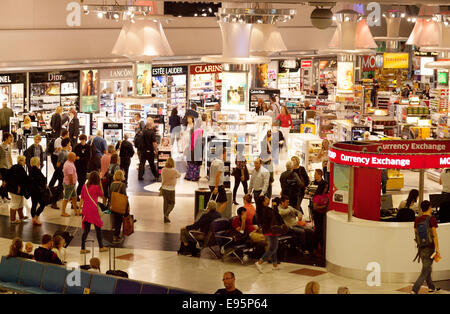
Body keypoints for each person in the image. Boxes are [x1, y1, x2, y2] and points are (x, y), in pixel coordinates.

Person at [411, 201, 441, 294]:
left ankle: (432, 288)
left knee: (427, 267)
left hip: (421, 248)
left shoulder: (417, 220)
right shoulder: (431, 219)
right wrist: (437, 249)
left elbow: (416, 233)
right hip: (430, 247)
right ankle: (415, 289)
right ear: (429, 207)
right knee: (425, 270)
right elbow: (434, 235)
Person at [80, 171, 108, 254]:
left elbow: (82, 198)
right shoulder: (96, 187)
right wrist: (100, 184)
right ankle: (101, 247)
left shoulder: (84, 186)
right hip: (93, 209)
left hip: (85, 209)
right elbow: (102, 194)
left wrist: (79, 209)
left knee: (86, 230)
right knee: (98, 229)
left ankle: (82, 248)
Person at [255, 195, 283, 272]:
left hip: (268, 230)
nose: (268, 199)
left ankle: (275, 265)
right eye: (266, 199)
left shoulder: (263, 209)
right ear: (263, 202)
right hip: (270, 230)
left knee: (273, 247)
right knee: (273, 248)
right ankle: (259, 262)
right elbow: (274, 217)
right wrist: (274, 208)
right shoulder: (265, 210)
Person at [309, 169, 329, 256]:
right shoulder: (317, 197)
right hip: (318, 215)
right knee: (318, 232)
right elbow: (315, 207)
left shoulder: (327, 195)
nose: (326, 189)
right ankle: (314, 248)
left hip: (323, 216)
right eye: (325, 187)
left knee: (322, 232)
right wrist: (324, 207)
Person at [108, 170, 129, 244]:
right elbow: (124, 196)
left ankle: (115, 235)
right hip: (120, 206)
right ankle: (115, 236)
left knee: (115, 221)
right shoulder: (122, 185)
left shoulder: (112, 184)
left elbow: (110, 194)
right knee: (119, 222)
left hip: (113, 205)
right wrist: (127, 207)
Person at [6, 155, 29, 224]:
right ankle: (12, 219)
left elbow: (7, 175)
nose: (25, 162)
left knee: (20, 203)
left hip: (12, 188)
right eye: (25, 160)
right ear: (22, 161)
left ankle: (21, 217)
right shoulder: (20, 168)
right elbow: (20, 179)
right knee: (15, 203)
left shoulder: (14, 166)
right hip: (16, 189)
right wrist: (18, 187)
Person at [161, 157, 180, 223]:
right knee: (172, 203)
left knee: (165, 203)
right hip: (171, 189)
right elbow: (179, 175)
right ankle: (166, 214)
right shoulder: (174, 171)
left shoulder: (163, 170)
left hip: (164, 188)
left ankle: (165, 218)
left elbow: (162, 177)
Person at [209, 147, 228, 214]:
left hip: (211, 184)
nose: (226, 156)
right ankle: (217, 216)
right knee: (224, 202)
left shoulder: (213, 161)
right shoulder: (221, 163)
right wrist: (216, 187)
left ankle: (212, 215)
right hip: (218, 185)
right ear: (222, 154)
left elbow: (211, 173)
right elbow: (218, 175)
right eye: (225, 154)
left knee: (215, 202)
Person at [29, 157, 47, 226]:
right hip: (38, 191)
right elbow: (41, 180)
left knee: (34, 204)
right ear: (36, 162)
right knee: (42, 204)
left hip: (33, 190)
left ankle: (34, 218)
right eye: (39, 161)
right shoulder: (36, 170)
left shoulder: (32, 170)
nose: (40, 162)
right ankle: (35, 218)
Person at [184, 118, 203, 182]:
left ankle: (189, 176)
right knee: (196, 163)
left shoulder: (192, 129)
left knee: (191, 162)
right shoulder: (199, 130)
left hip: (191, 147)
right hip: (197, 148)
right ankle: (195, 176)